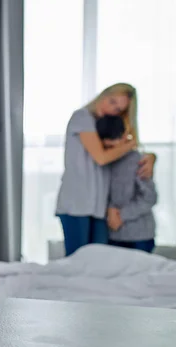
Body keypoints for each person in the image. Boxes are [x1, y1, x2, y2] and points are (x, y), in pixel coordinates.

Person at [55, 83, 156, 256]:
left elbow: (122, 161)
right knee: (77, 262)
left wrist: (151, 156)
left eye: (118, 109)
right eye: (112, 101)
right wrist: (131, 143)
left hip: (99, 208)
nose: (112, 109)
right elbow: (101, 157)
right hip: (77, 204)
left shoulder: (107, 127)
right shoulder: (82, 117)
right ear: (103, 95)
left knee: (99, 262)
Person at [96, 116, 157, 253]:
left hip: (140, 236)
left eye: (113, 146)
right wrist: (110, 211)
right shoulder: (103, 163)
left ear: (124, 137)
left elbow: (149, 197)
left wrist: (121, 215)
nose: (111, 151)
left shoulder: (139, 161)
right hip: (113, 236)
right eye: (106, 146)